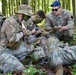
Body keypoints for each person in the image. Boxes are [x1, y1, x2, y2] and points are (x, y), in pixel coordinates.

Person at [0, 4, 34, 73]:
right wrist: (23, 33)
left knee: (30, 48)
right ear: (21, 14)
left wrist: (26, 33)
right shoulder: (11, 21)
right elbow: (12, 39)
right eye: (27, 16)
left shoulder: (19, 22)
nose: (27, 18)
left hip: (12, 49)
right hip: (3, 50)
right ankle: (5, 63)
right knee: (20, 68)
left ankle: (11, 60)